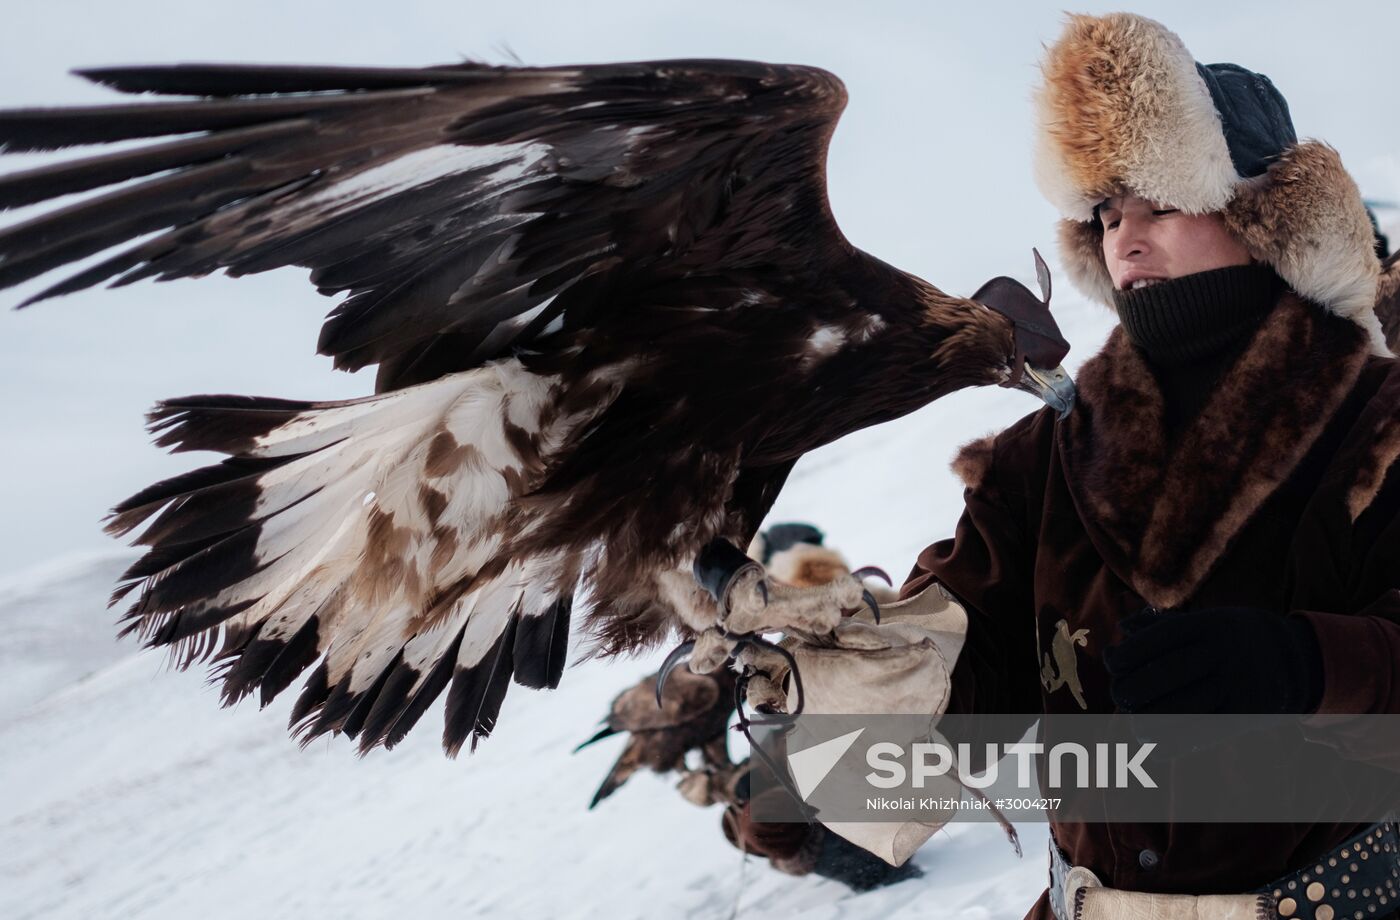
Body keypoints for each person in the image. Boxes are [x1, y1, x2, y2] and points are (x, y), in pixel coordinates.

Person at [734, 12, 1400, 920]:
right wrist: (845, 667)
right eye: (1108, 213)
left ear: (1266, 214)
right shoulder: (1043, 452)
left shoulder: (1378, 419)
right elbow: (971, 671)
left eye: (1161, 202)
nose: (1125, 239)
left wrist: (1307, 667)